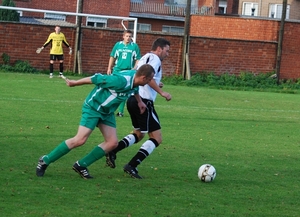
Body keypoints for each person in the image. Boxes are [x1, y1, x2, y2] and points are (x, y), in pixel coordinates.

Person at [36, 64, 155, 179]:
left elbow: (134, 89)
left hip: (107, 112)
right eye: (149, 80)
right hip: (93, 108)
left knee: (112, 143)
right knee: (80, 140)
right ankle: (45, 160)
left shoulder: (136, 79)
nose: (150, 82)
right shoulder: (120, 80)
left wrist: (139, 101)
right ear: (143, 77)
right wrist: (75, 83)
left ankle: (81, 165)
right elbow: (96, 78)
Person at [105, 38, 172, 179]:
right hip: (143, 102)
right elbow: (148, 77)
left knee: (139, 134)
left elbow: (141, 76)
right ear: (159, 49)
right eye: (166, 51)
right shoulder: (155, 59)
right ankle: (132, 165)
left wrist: (157, 83)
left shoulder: (144, 58)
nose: (167, 54)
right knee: (157, 138)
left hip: (133, 99)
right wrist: (162, 93)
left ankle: (113, 151)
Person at [107, 30, 141, 117]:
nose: (128, 38)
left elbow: (138, 58)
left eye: (130, 36)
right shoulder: (118, 45)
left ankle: (120, 112)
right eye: (127, 36)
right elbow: (112, 56)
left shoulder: (134, 46)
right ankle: (109, 109)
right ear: (123, 36)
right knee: (112, 89)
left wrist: (134, 68)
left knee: (124, 91)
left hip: (128, 71)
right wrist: (109, 68)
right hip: (117, 70)